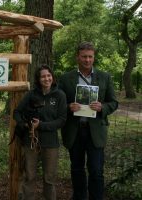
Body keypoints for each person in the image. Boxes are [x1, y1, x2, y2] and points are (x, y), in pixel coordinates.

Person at [58, 41, 118, 200]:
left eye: (90, 57)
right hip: (74, 130)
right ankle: (79, 197)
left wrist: (102, 107)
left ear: (94, 57)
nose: (87, 60)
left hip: (96, 131)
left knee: (96, 170)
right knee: (77, 169)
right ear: (77, 57)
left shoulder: (104, 77)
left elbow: (113, 102)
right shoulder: (65, 78)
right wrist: (68, 107)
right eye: (84, 56)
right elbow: (57, 104)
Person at [13, 64, 67, 200]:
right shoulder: (31, 94)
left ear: (53, 77)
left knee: (49, 178)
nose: (46, 78)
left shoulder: (59, 95)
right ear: (38, 79)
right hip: (30, 140)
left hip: (50, 142)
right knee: (30, 176)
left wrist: (41, 125)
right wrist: (25, 124)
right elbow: (17, 112)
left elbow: (61, 120)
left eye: (49, 75)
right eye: (43, 76)